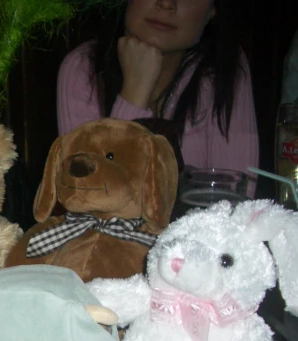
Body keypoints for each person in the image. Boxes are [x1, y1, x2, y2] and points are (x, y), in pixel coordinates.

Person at [57, 0, 259, 197]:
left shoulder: (224, 70)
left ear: (213, 8)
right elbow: (89, 196)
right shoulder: (84, 67)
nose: (167, 3)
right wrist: (134, 93)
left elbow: (237, 196)